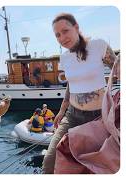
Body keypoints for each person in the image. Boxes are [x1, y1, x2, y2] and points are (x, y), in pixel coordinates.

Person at [42, 13, 118, 174]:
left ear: (76, 28)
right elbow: (71, 83)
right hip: (72, 116)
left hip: (99, 118)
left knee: (100, 167)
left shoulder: (98, 45)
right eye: (57, 35)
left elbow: (118, 68)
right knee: (49, 163)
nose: (62, 37)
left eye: (65, 31)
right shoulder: (64, 58)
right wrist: (62, 111)